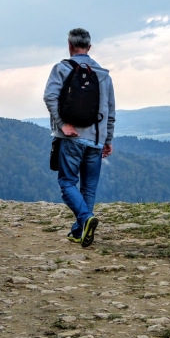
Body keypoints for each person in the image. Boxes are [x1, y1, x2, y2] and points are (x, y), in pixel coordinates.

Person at [43, 28, 116, 248]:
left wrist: (63, 124)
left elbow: (49, 97)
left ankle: (84, 220)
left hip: (72, 138)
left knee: (67, 183)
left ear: (70, 45)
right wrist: (107, 139)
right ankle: (79, 232)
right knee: (89, 188)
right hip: (95, 139)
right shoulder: (103, 75)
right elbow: (110, 111)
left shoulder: (62, 69)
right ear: (89, 47)